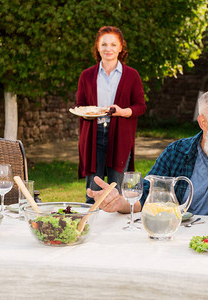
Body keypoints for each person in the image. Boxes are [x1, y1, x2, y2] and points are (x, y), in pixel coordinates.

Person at [89, 85, 208, 217]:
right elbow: (146, 194)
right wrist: (121, 203)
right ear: (203, 123)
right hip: (175, 236)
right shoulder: (176, 151)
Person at [76, 26, 147, 204]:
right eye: (104, 44)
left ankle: (117, 228)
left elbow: (140, 107)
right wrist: (87, 114)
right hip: (93, 136)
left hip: (120, 136)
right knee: (93, 190)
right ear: (98, 47)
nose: (109, 49)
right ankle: (90, 225)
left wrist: (122, 112)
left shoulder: (132, 76)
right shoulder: (86, 76)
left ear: (121, 48)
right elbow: (80, 106)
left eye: (113, 44)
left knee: (118, 190)